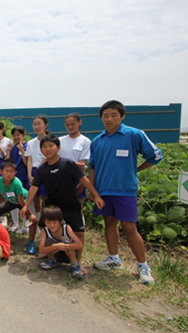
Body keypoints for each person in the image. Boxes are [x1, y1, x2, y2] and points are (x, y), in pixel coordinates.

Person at [89, 100, 163, 285]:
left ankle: (143, 265)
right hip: (104, 190)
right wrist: (92, 189)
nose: (109, 119)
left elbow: (155, 156)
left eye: (114, 115)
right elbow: (93, 166)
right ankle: (114, 258)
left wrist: (136, 169)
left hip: (125, 190)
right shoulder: (98, 141)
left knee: (130, 228)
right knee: (109, 223)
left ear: (122, 116)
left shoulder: (134, 135)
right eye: (105, 116)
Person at [21, 134, 104, 271]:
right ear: (40, 150)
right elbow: (34, 188)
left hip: (71, 205)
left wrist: (96, 195)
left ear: (58, 148)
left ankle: (78, 263)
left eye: (51, 146)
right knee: (45, 229)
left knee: (79, 233)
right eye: (44, 147)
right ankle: (51, 257)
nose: (47, 149)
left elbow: (83, 180)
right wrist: (25, 206)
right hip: (53, 207)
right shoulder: (42, 169)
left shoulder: (68, 163)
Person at [0, 159, 38, 253]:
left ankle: (31, 242)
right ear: (1, 171)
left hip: (24, 201)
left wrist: (29, 213)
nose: (9, 174)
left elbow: (21, 201)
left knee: (32, 219)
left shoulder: (17, 183)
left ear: (15, 173)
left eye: (11, 171)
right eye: (7, 171)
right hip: (11, 201)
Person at [37, 206, 85, 280]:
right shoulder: (45, 230)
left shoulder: (66, 228)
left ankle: (74, 265)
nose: (51, 225)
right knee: (49, 241)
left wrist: (64, 245)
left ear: (60, 221)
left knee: (67, 241)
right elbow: (41, 250)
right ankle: (52, 260)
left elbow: (79, 245)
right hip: (55, 253)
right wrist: (56, 246)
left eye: (54, 222)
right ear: (44, 222)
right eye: (48, 222)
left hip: (69, 254)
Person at [59, 113, 91, 202]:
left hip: (77, 178)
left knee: (77, 207)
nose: (70, 127)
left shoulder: (85, 141)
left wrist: (81, 184)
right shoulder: (60, 141)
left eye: (72, 124)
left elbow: (81, 164)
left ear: (79, 123)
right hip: (61, 178)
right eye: (67, 125)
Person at [6, 126, 30, 233]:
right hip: (12, 178)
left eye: (18, 135)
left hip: (23, 177)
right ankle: (15, 224)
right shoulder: (12, 148)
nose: (16, 137)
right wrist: (9, 150)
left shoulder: (27, 146)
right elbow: (6, 163)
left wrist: (22, 151)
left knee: (24, 202)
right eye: (14, 135)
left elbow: (26, 163)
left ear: (23, 135)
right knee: (12, 200)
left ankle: (25, 226)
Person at [25, 115, 49, 223]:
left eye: (39, 124)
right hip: (34, 171)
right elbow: (29, 159)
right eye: (34, 124)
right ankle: (39, 224)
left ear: (45, 125)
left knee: (46, 199)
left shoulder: (49, 141)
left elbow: (46, 158)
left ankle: (47, 222)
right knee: (35, 199)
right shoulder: (31, 142)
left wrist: (38, 173)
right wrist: (29, 174)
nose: (37, 127)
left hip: (45, 171)